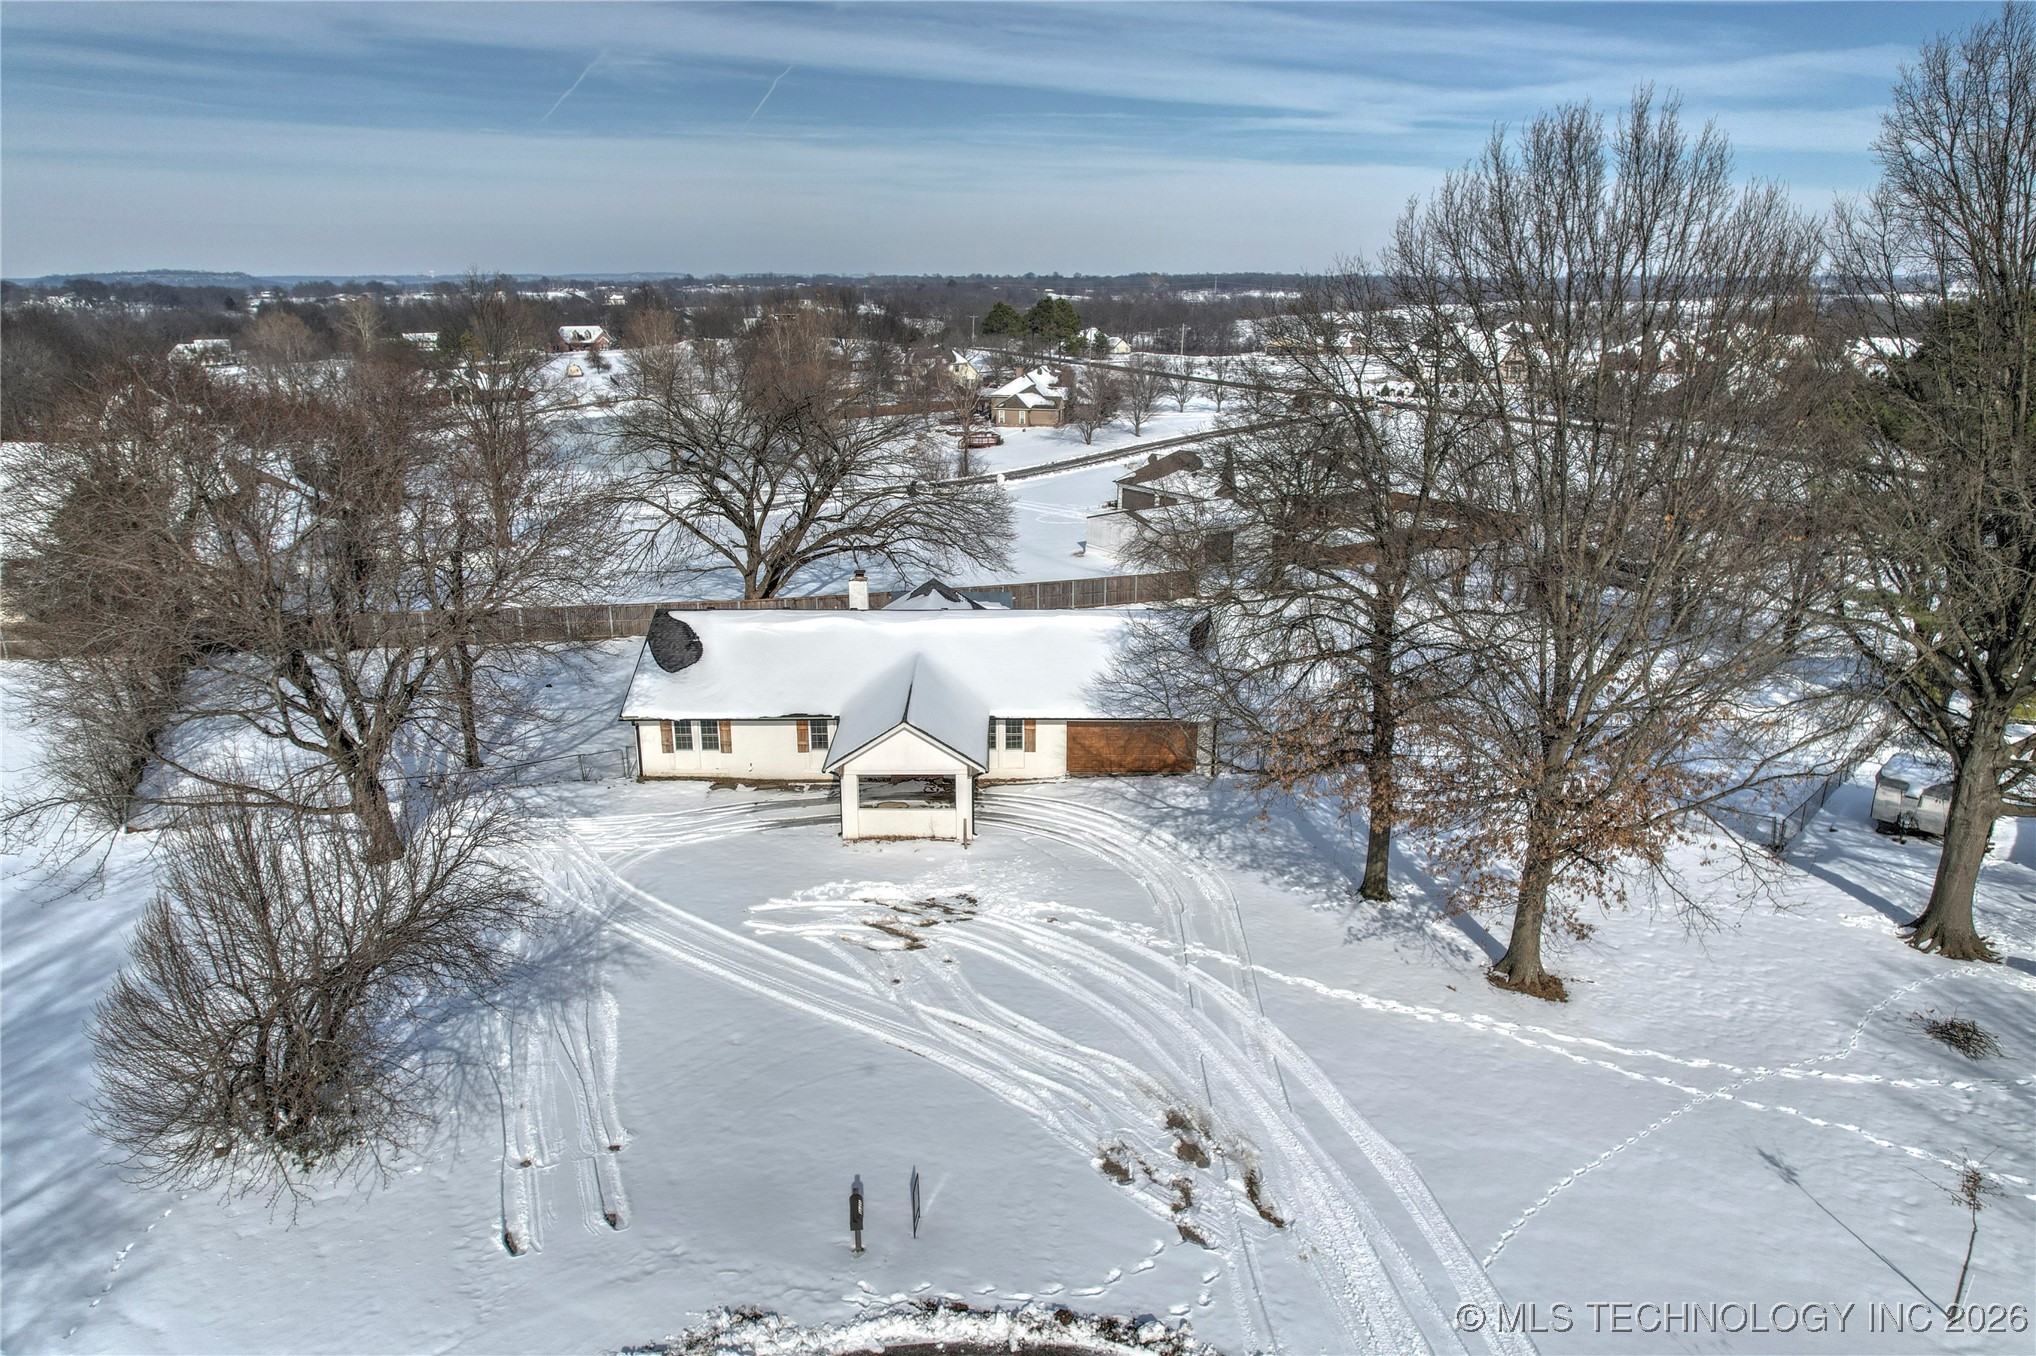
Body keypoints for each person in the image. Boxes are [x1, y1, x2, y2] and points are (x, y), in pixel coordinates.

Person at [849, 1175, 865, 1255]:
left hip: (857, 1219)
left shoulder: (857, 1200)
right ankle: (858, 1247)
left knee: (857, 1216)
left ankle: (858, 1247)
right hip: (855, 1219)